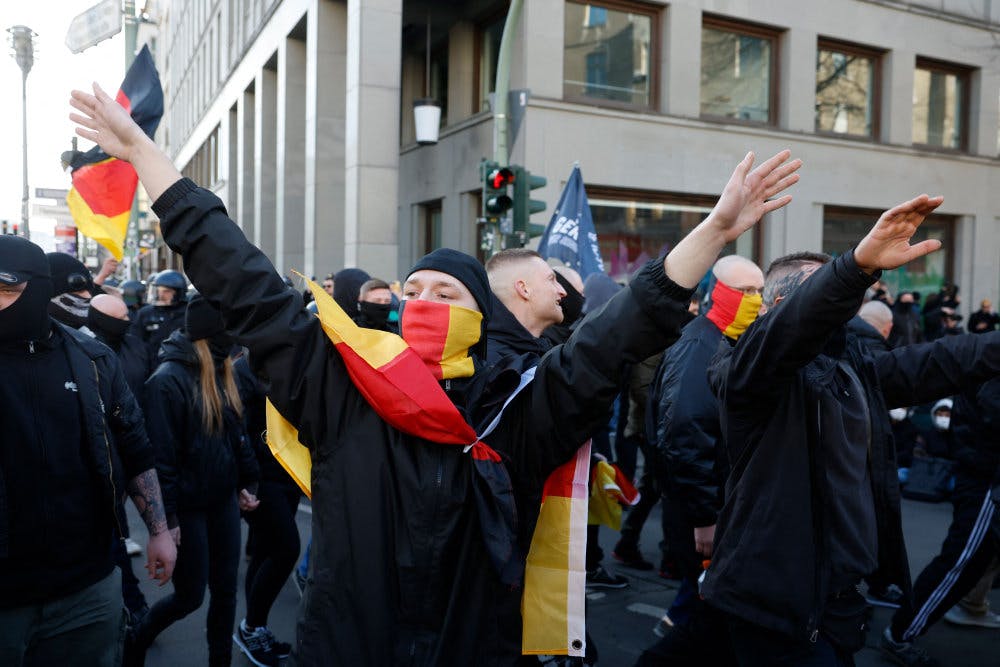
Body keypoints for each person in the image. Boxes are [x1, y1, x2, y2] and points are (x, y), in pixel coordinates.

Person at [70, 80, 801, 663]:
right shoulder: (341, 387)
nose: (421, 303)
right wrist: (142, 153)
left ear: (482, 317)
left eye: (445, 293)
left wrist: (711, 234)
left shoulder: (518, 408)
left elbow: (617, 336)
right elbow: (239, 275)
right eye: (411, 292)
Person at [701, 195, 1000, 667]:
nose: (842, 309)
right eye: (824, 296)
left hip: (838, 599)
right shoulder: (747, 370)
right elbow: (791, 332)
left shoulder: (852, 366)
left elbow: (943, 360)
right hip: (777, 602)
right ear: (780, 306)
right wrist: (856, 266)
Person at [0, 235, 176, 667]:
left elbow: (134, 443)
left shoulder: (93, 358)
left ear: (39, 288)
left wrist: (158, 530)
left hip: (87, 587)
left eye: (7, 290)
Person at [636, 256, 764, 667]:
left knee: (707, 613)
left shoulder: (724, 342)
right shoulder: (700, 346)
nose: (756, 301)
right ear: (718, 292)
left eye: (760, 292)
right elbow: (684, 435)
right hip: (704, 513)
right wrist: (705, 515)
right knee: (708, 618)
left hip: (715, 504)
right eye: (746, 291)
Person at [128, 295, 260, 667]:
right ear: (212, 335)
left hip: (222, 502)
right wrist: (166, 523)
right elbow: (161, 462)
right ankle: (134, 642)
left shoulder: (223, 372)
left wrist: (249, 483)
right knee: (190, 597)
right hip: (187, 509)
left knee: (225, 593)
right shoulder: (166, 383)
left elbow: (238, 437)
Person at [883, 375, 1000, 665]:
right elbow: (991, 411)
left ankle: (971, 605)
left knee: (971, 559)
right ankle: (900, 633)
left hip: (983, 471)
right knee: (961, 561)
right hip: (987, 477)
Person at [234, 348, 301, 667]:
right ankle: (251, 627)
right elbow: (237, 431)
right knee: (286, 549)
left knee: (265, 551)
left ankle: (253, 626)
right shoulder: (242, 370)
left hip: (288, 472)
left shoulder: (291, 359)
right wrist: (245, 482)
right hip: (260, 477)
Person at [131, 269, 188, 360]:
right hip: (151, 364)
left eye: (166, 291)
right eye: (158, 291)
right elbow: (135, 341)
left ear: (178, 292)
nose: (161, 295)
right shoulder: (146, 313)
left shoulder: (188, 313)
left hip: (181, 362)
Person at [47, 251, 99, 329]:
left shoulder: (93, 332)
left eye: (89, 290)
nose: (88, 296)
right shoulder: (33, 338)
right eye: (80, 291)